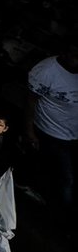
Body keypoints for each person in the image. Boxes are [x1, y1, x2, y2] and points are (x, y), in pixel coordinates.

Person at [25, 42, 78, 220]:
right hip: (52, 131)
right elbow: (31, 101)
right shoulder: (46, 71)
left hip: (73, 133)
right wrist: (29, 130)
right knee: (66, 177)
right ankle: (62, 216)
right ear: (64, 52)